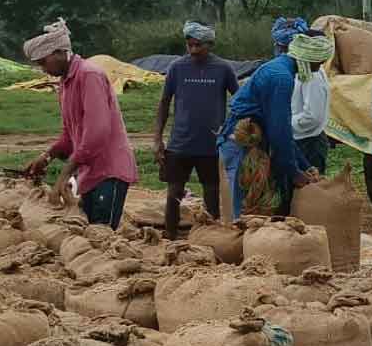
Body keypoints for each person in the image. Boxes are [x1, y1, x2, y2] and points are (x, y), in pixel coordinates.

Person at [23, 19, 139, 229]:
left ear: (59, 52)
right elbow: (70, 136)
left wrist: (65, 174)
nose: (42, 69)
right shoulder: (65, 84)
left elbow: (97, 133)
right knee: (92, 235)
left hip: (108, 172)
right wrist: (46, 156)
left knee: (102, 237)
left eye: (43, 62)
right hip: (89, 172)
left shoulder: (89, 75)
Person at [217, 30, 329, 219]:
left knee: (253, 209)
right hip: (243, 142)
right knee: (246, 212)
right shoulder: (281, 78)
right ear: (307, 59)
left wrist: (304, 164)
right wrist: (295, 173)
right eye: (318, 63)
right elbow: (279, 133)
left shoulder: (280, 69)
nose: (318, 68)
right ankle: (241, 246)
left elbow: (280, 129)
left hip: (250, 140)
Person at [152, 21, 239, 238]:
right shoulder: (177, 68)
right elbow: (164, 103)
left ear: (210, 44)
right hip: (179, 143)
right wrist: (157, 139)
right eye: (190, 45)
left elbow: (239, 101)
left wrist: (231, 130)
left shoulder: (223, 69)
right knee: (174, 193)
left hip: (211, 145)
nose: (193, 50)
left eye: (198, 45)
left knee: (211, 192)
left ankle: (212, 238)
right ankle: (170, 237)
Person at [292, 30, 333, 174]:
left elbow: (312, 118)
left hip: (308, 143)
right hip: (302, 139)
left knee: (309, 191)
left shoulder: (313, 76)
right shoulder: (304, 70)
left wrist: (284, 124)